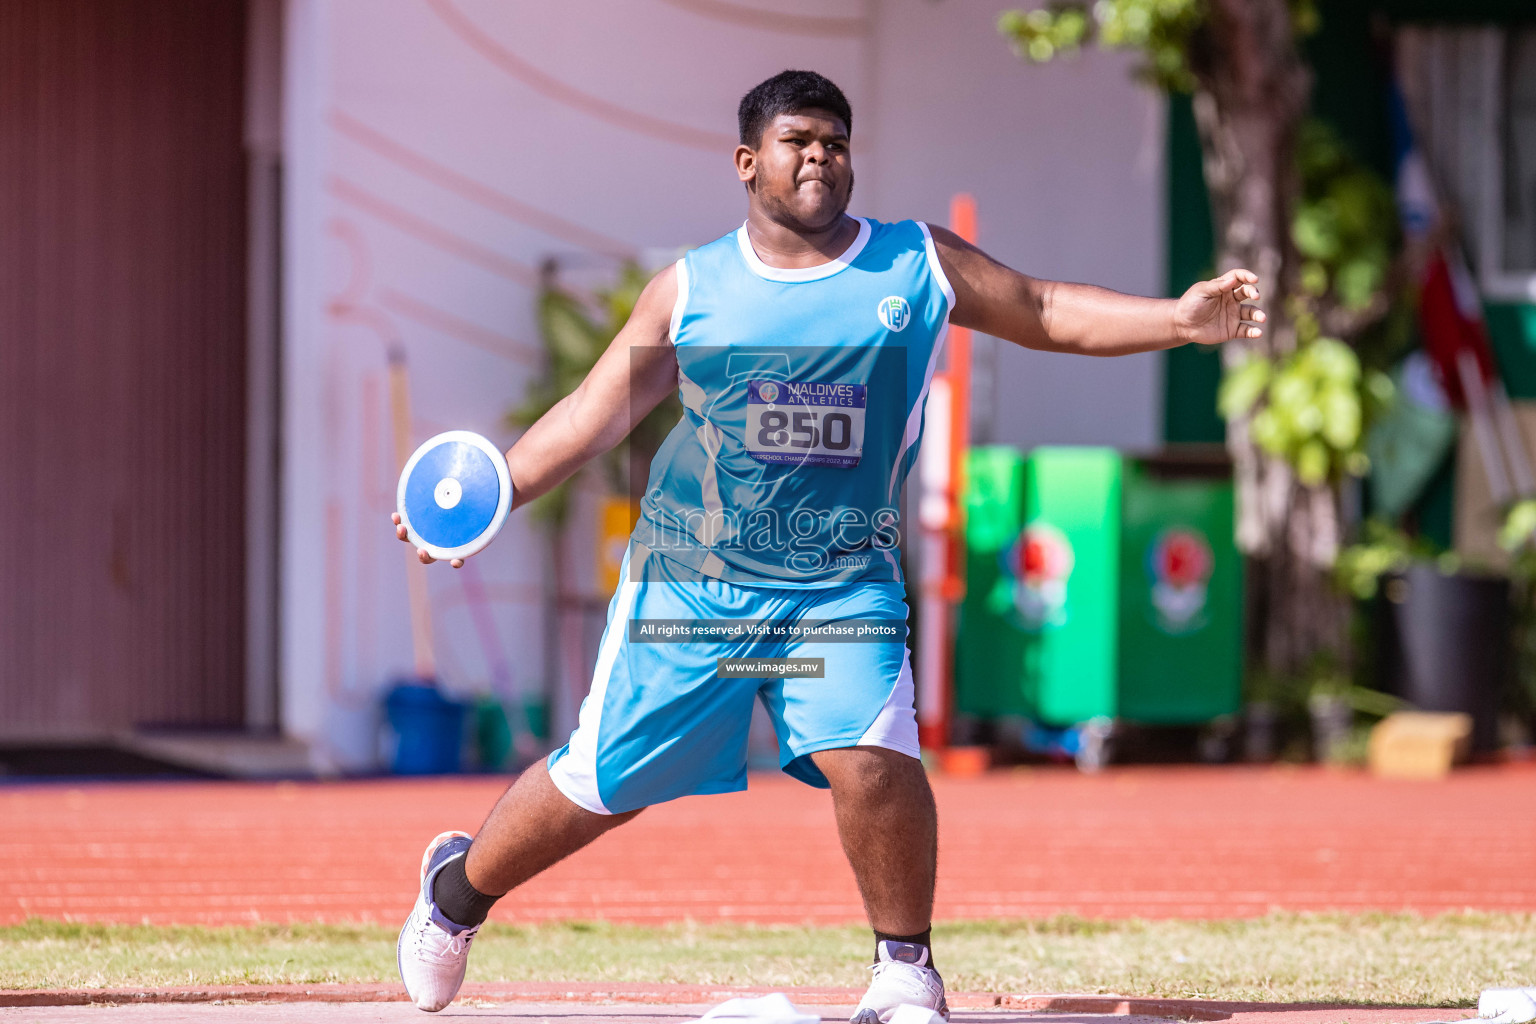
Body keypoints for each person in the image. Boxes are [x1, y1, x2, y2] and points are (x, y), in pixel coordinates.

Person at [390, 69, 1265, 1016]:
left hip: (841, 585)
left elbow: (1044, 309)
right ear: (747, 162)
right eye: (799, 140)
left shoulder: (916, 263)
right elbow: (594, 417)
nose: (820, 158)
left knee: (873, 756)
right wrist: (490, 498)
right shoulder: (691, 289)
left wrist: (1179, 320)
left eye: (836, 143)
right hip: (693, 585)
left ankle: (903, 968)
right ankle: (453, 895)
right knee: (600, 784)